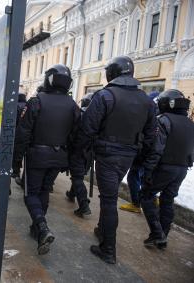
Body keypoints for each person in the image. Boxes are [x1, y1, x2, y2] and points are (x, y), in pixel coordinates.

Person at [73, 56, 157, 264]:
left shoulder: (105, 96)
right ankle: (103, 231)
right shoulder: (146, 100)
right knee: (108, 197)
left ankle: (108, 250)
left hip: (107, 155)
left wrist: (79, 151)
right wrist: (141, 157)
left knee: (109, 201)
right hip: (128, 157)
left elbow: (88, 128)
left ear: (111, 73)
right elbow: (151, 136)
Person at [13, 64, 80, 255]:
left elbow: (23, 134)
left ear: (49, 79)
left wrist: (16, 161)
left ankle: (42, 227)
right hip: (59, 158)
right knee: (44, 191)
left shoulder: (36, 102)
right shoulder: (73, 105)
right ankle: (37, 228)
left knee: (30, 194)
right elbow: (77, 136)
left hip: (37, 157)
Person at [140, 89, 194, 249]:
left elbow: (157, 148)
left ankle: (158, 234)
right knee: (167, 200)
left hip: (164, 167)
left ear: (166, 104)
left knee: (146, 195)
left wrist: (148, 170)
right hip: (182, 169)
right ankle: (162, 236)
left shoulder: (163, 120)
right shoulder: (191, 124)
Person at [120, 90, 161, 213]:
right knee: (147, 176)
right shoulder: (161, 115)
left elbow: (145, 134)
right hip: (155, 153)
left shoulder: (150, 114)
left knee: (134, 175)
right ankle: (152, 200)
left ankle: (136, 204)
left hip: (145, 151)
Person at [66, 92, 94, 217]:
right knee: (79, 176)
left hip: (79, 150)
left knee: (77, 178)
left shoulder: (80, 115)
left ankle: (83, 205)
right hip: (89, 152)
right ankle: (72, 194)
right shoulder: (96, 116)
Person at [13, 92, 27, 187]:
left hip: (16, 133)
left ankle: (15, 171)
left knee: (15, 153)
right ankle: (19, 173)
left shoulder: (16, 106)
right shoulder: (27, 106)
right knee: (21, 154)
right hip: (25, 135)